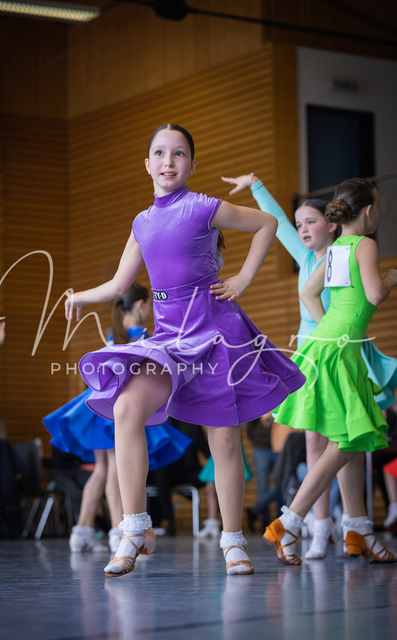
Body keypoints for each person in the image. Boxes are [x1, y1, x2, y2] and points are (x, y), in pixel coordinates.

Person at [65, 123, 305, 577]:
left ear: (192, 164)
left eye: (178, 154)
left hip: (215, 330)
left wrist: (243, 279)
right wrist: (78, 297)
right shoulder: (141, 222)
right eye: (160, 153)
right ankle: (136, 527)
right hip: (170, 336)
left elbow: (267, 223)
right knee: (126, 408)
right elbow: (119, 284)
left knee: (223, 439)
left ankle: (232, 540)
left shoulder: (204, 207)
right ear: (147, 164)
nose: (169, 161)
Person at [222, 172, 397, 559]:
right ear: (369, 211)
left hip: (327, 346)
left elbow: (307, 293)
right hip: (338, 350)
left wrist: (327, 329)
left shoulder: (335, 251)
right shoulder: (364, 245)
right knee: (345, 441)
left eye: (309, 222)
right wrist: (390, 277)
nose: (302, 229)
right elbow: (374, 294)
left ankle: (358, 530)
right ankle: (291, 522)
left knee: (352, 441)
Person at [44, 283, 191, 553]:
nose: (150, 310)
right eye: (150, 305)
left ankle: (82, 530)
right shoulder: (141, 335)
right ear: (141, 304)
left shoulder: (113, 334)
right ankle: (117, 530)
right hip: (114, 408)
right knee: (113, 469)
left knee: (100, 470)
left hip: (98, 405)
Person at [246, 412, 281, 530]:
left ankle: (257, 511)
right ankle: (265, 523)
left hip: (280, 447)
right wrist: (258, 440)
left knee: (281, 485)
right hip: (261, 449)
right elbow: (250, 428)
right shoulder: (257, 403)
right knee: (263, 486)